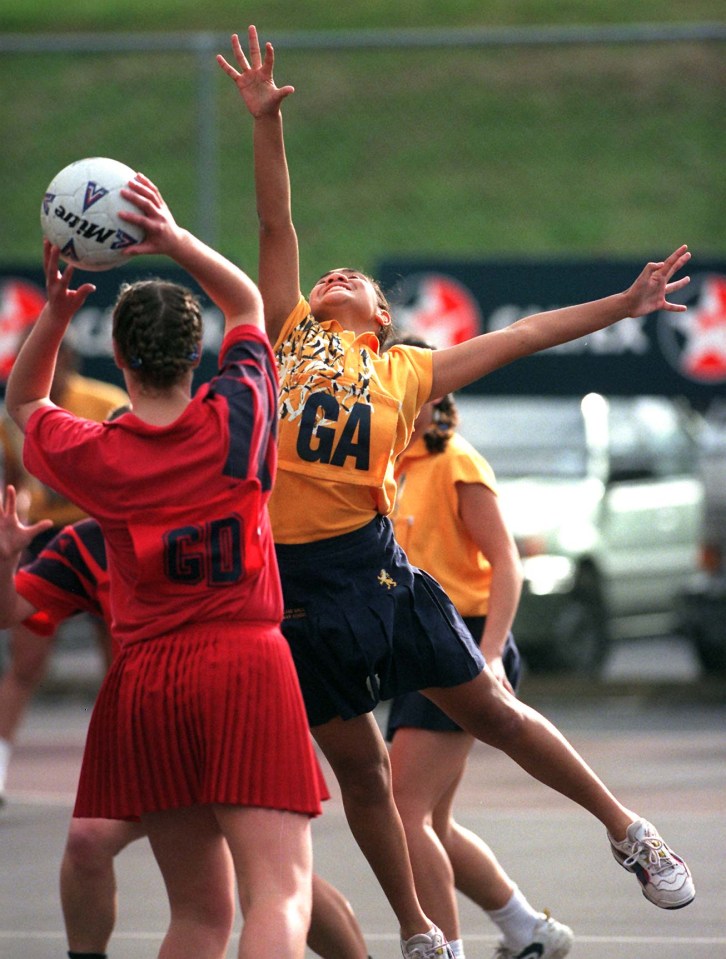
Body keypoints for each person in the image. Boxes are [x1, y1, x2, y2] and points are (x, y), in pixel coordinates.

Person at [217, 25, 695, 959]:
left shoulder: (406, 372)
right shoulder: (285, 338)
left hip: (374, 574)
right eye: (327, 276)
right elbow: (277, 224)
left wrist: (621, 305)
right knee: (362, 775)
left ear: (384, 317)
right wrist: (266, 126)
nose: (332, 275)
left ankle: (626, 828)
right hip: (296, 591)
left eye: (350, 279)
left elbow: (523, 337)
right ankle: (421, 930)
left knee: (496, 712)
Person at [4, 174, 327, 959]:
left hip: (148, 677)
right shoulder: (237, 420)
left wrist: (54, 313)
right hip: (245, 663)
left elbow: (23, 403)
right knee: (279, 896)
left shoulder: (101, 455)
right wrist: (176, 240)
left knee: (198, 915)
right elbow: (249, 303)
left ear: (115, 355)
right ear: (199, 354)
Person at [0, 486, 372, 959]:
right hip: (166, 716)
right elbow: (11, 610)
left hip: (226, 706)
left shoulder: (232, 507)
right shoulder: (91, 542)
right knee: (103, 848)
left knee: (268, 889)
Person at [384, 338, 572, 959]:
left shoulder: (455, 462)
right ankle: (529, 931)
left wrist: (490, 656)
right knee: (432, 824)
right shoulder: (393, 464)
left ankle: (447, 950)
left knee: (402, 813)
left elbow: (507, 566)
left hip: (462, 642)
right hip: (418, 646)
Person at [0, 339, 127, 803]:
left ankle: (126, 765)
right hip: (49, 539)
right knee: (25, 661)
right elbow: (16, 482)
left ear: (67, 358)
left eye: (51, 357)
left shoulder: (107, 403)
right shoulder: (13, 418)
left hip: (108, 534)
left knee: (124, 662)